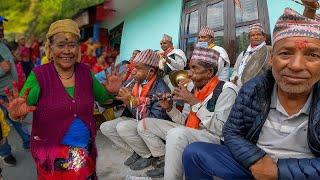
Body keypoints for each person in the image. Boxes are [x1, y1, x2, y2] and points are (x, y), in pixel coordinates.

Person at [182, 4, 320, 179]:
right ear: (271, 59)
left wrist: (279, 171)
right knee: (195, 153)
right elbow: (231, 132)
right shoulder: (253, 89)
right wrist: (255, 159)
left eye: (312, 55)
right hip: (254, 166)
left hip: (303, 172)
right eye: (285, 53)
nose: (296, 65)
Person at [2, 19, 122, 179]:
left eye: (72, 45)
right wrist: (15, 114)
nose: (67, 51)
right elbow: (21, 110)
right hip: (52, 159)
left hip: (85, 156)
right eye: (60, 45)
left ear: (78, 48)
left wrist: (111, 92)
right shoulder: (39, 76)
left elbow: (104, 100)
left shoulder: (85, 72)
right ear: (50, 48)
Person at [136, 47, 238, 178]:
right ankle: (168, 162)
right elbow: (184, 121)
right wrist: (169, 108)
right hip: (190, 130)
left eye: (194, 68)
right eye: (189, 68)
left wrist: (194, 102)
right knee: (145, 124)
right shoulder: (192, 88)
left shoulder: (226, 90)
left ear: (209, 72)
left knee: (176, 134)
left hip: (213, 138)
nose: (189, 74)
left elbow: (220, 129)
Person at [100, 49, 172, 171]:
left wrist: (130, 101)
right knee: (106, 127)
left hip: (149, 125)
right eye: (133, 67)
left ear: (151, 71)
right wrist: (110, 92)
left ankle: (151, 155)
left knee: (123, 127)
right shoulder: (134, 81)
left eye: (137, 68)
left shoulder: (161, 89)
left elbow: (152, 121)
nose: (132, 71)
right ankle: (139, 151)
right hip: (135, 119)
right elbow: (117, 100)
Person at [0, 17, 29, 166]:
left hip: (11, 91)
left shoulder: (2, 44)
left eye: (1, 25)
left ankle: (27, 141)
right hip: (0, 94)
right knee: (0, 127)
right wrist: (1, 70)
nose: (1, 28)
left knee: (17, 118)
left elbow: (9, 63)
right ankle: (5, 153)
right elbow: (3, 68)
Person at [230, 23, 271, 87]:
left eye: (258, 34)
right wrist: (233, 79)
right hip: (240, 90)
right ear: (249, 39)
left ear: (264, 37)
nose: (255, 37)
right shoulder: (243, 54)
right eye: (252, 35)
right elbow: (235, 70)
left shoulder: (269, 51)